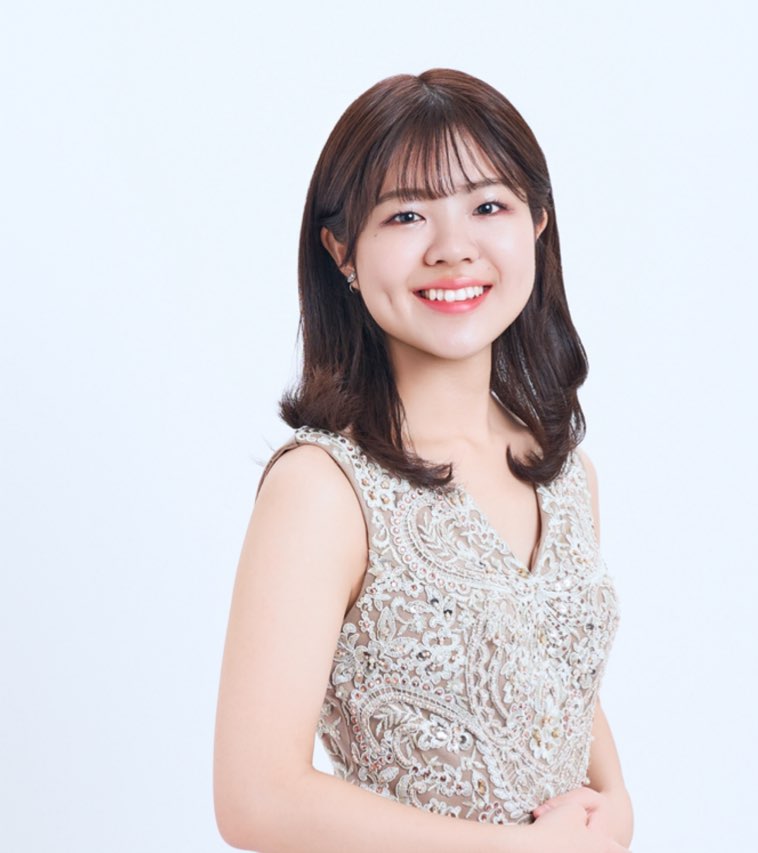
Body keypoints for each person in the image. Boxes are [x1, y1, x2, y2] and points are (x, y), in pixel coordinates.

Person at [214, 68, 633, 853]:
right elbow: (256, 798)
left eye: (488, 206)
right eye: (406, 215)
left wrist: (616, 800)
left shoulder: (566, 473)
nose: (453, 249)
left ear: (538, 223)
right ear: (341, 251)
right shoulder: (322, 489)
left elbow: (548, 679)